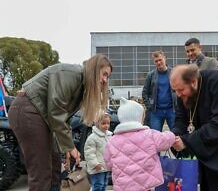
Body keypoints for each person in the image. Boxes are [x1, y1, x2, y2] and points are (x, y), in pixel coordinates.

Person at [8, 54, 112, 191]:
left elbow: (63, 118)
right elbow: (56, 112)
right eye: (104, 74)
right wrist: (70, 147)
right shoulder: (72, 75)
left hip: (41, 115)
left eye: (107, 77)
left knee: (55, 170)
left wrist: (65, 147)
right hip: (28, 110)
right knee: (42, 172)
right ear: (94, 69)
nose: (105, 80)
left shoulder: (82, 85)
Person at [104, 97, 175, 191]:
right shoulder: (149, 134)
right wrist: (172, 135)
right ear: (138, 117)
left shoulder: (111, 141)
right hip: (146, 185)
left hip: (124, 186)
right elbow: (166, 140)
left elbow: (108, 164)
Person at [142, 50, 177, 131]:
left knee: (176, 135)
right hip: (156, 111)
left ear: (165, 58)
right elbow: (145, 93)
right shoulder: (150, 75)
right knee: (155, 136)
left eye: (160, 60)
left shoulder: (174, 73)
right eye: (156, 61)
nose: (158, 62)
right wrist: (149, 106)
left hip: (172, 110)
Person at [84, 112, 113, 191]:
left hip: (106, 166)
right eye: (103, 123)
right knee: (98, 185)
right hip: (97, 167)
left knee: (104, 184)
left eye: (108, 123)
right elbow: (89, 152)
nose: (106, 125)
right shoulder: (93, 137)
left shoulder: (109, 136)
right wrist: (95, 164)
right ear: (97, 124)